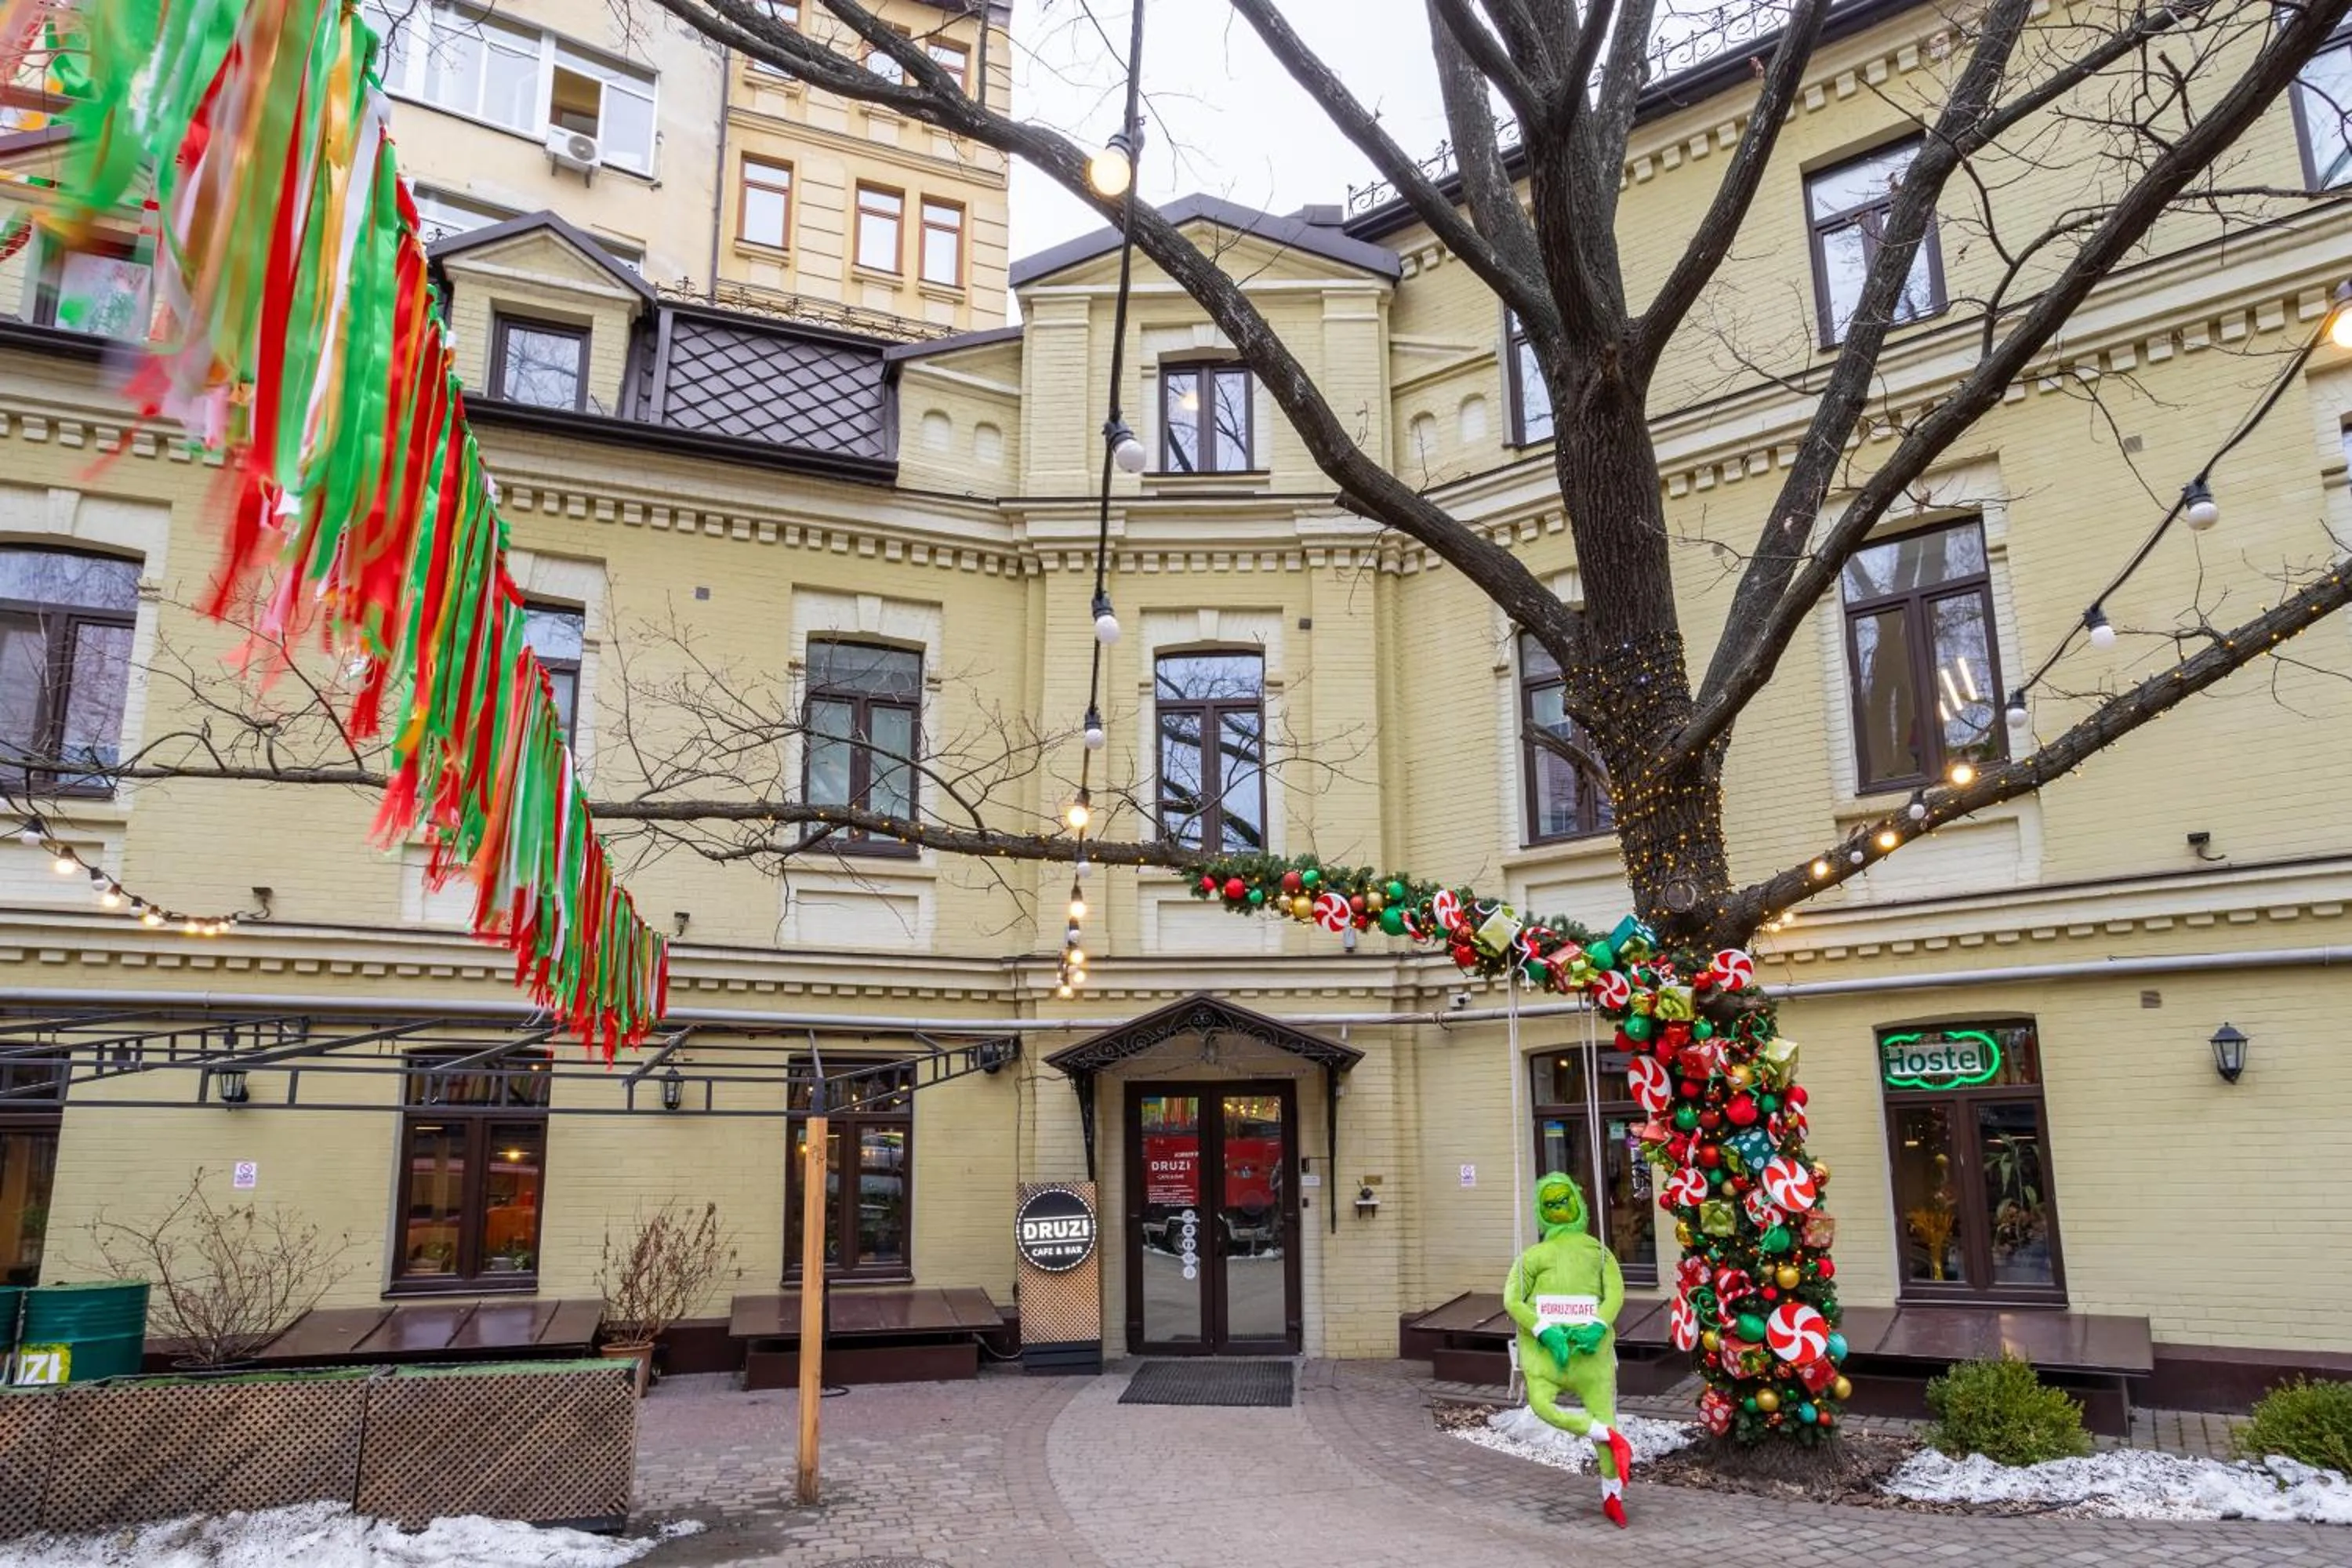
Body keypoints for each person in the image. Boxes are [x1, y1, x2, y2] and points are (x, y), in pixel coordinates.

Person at [1503, 1171, 1635, 1527]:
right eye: (1551, 1204)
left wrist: (1598, 1325)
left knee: (1602, 1411)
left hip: (1590, 1358)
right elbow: (1512, 1300)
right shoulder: (1533, 1257)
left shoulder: (1599, 1253)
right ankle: (1604, 1434)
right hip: (1546, 1357)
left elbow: (1615, 1294)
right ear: (1541, 1211)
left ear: (1577, 1203)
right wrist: (1544, 1330)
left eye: (1565, 1201)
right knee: (1541, 1405)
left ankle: (1613, 1495)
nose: (1559, 1207)